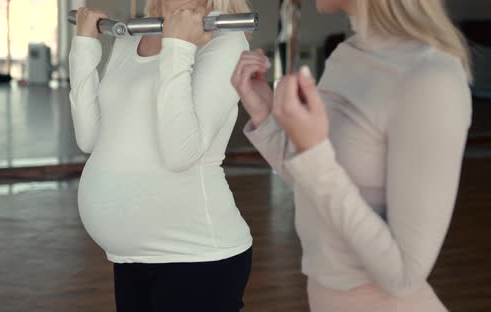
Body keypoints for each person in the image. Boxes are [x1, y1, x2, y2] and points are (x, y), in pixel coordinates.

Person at [232, 0, 472, 311]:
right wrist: (265, 117)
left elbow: (403, 277)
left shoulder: (431, 77)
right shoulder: (348, 54)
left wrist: (315, 153)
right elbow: (316, 184)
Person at [69, 0, 253, 311]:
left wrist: (178, 48)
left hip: (196, 255)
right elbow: (90, 138)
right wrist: (84, 47)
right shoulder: (132, 35)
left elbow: (180, 152)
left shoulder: (226, 40)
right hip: (129, 258)